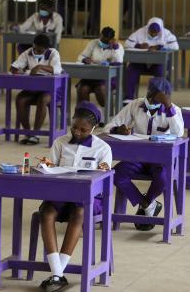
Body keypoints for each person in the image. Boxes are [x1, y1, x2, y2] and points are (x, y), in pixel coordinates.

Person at [37, 102, 111, 292]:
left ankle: (56, 274)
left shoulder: (103, 148)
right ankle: (58, 273)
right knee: (46, 211)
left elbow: (105, 178)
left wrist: (103, 170)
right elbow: (50, 167)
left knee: (80, 212)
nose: (77, 132)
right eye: (75, 127)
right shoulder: (60, 142)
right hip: (61, 193)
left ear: (94, 128)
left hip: (90, 199)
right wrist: (48, 165)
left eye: (83, 130)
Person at [104, 78, 184, 231]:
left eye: (155, 97)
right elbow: (109, 126)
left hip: (160, 161)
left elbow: (178, 133)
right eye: (149, 95)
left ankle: (147, 203)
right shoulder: (135, 105)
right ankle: (147, 204)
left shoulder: (174, 110)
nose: (150, 99)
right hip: (137, 158)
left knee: (163, 177)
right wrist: (118, 129)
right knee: (116, 174)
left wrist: (168, 106)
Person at [10, 34, 62, 146]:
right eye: (36, 49)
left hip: (50, 90)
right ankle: (28, 133)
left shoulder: (53, 53)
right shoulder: (28, 52)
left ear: (46, 48)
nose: (38, 52)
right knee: (20, 99)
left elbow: (57, 69)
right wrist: (15, 69)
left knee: (43, 100)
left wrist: (40, 67)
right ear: (34, 45)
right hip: (33, 88)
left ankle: (36, 134)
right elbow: (15, 66)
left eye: (41, 51)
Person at [124, 17, 179, 102]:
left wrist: (159, 47)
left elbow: (175, 46)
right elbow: (127, 43)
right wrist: (139, 45)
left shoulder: (166, 34)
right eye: (151, 31)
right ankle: (128, 98)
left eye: (155, 32)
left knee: (160, 73)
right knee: (131, 69)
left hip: (157, 65)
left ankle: (158, 99)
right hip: (141, 63)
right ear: (148, 28)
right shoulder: (140, 32)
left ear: (160, 30)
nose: (153, 34)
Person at [76, 27, 124, 119]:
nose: (101, 41)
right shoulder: (93, 43)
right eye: (101, 38)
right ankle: (85, 115)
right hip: (91, 76)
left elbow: (119, 62)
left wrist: (115, 47)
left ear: (111, 40)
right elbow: (81, 56)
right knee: (82, 88)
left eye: (105, 41)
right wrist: (84, 59)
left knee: (101, 89)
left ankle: (105, 115)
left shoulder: (118, 47)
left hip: (108, 78)